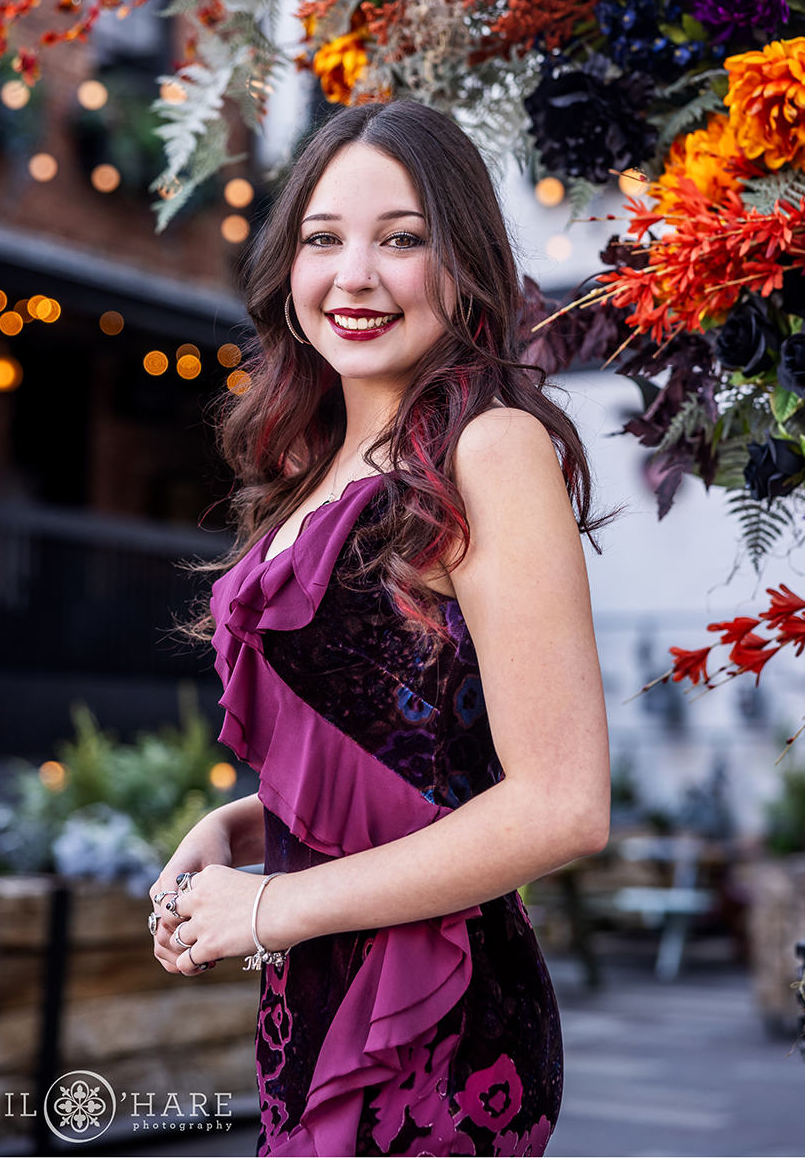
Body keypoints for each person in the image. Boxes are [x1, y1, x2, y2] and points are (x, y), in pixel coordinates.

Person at [149, 99, 610, 1158]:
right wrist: (247, 829)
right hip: (312, 998)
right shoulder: (312, 469)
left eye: (401, 239)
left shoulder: (487, 448)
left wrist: (272, 905)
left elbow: (562, 804)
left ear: (464, 264)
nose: (353, 275)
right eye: (323, 239)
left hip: (439, 1016)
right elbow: (414, 756)